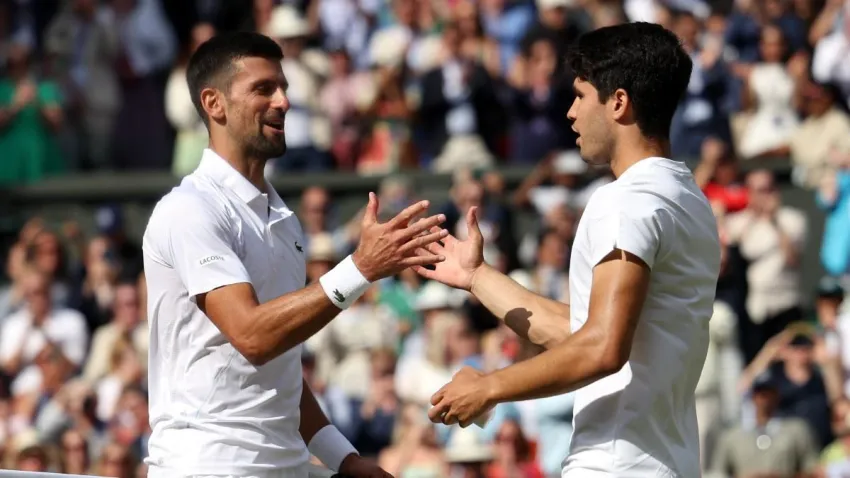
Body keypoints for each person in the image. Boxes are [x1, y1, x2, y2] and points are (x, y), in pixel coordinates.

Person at [414, 22, 721, 478]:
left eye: (580, 95)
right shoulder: (687, 199)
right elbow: (583, 331)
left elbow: (601, 347)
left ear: (618, 102)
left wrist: (489, 385)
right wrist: (477, 276)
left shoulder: (626, 202)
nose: (571, 113)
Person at [142, 31, 449, 478]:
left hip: (285, 465)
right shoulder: (188, 210)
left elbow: (282, 368)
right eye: (264, 89)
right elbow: (254, 336)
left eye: (283, 87)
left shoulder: (284, 219)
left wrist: (345, 460)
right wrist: (360, 268)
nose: (284, 101)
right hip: (210, 465)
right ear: (214, 104)